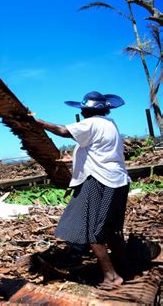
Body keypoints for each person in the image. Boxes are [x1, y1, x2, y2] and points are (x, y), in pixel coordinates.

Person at [36, 91, 130, 287]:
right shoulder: (110, 124)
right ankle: (127, 266)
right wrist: (73, 159)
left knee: (93, 232)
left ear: (86, 110)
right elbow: (99, 151)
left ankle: (112, 277)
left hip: (100, 181)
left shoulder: (91, 123)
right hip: (118, 179)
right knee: (110, 229)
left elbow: (63, 131)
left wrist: (42, 124)